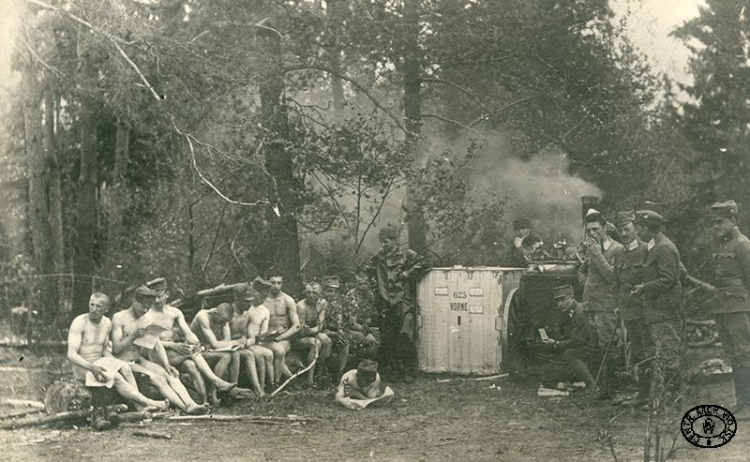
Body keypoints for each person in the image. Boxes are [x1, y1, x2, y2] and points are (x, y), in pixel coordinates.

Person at [111, 286, 209, 415]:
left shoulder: (147, 318)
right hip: (123, 361)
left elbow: (157, 343)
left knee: (171, 375)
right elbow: (116, 349)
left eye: (148, 307)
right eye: (143, 306)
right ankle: (184, 408)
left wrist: (166, 364)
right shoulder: (119, 318)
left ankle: (191, 404)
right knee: (160, 380)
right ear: (135, 301)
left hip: (139, 359)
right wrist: (133, 335)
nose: (146, 310)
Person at [67, 292, 169, 414]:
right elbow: (71, 354)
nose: (93, 309)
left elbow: (104, 349)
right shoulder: (80, 322)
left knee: (125, 368)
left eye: (98, 306)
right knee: (116, 376)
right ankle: (148, 402)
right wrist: (91, 367)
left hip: (99, 362)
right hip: (83, 367)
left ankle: (140, 407)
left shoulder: (106, 323)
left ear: (106, 309)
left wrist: (117, 362)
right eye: (92, 305)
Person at [145, 277, 236, 404]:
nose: (156, 300)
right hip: (157, 354)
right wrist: (173, 345)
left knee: (191, 365)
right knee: (192, 352)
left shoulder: (174, 312)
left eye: (160, 296)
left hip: (175, 353)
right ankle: (217, 382)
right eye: (153, 296)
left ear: (167, 294)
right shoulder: (148, 314)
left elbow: (188, 332)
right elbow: (151, 342)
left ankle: (205, 402)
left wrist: (195, 342)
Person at [702, 200, 750, 420]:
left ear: (733, 220)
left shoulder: (742, 244)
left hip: (739, 307)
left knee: (744, 354)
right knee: (733, 355)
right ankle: (742, 402)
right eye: (713, 222)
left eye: (720, 222)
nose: (716, 226)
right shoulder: (721, 245)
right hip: (722, 307)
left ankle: (747, 403)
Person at [630, 210, 683, 397]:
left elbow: (669, 278)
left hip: (665, 310)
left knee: (668, 354)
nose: (636, 232)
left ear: (646, 228)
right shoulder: (654, 246)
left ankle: (673, 398)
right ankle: (663, 396)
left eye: (638, 227)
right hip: (656, 309)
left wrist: (644, 288)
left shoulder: (664, 247)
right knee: (659, 353)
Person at [365, 225, 425, 384]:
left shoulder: (407, 255)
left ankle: (408, 370)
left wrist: (407, 273)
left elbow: (424, 263)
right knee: (388, 338)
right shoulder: (379, 257)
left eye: (385, 242)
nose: (383, 245)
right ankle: (394, 370)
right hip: (385, 303)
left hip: (403, 303)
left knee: (404, 337)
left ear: (394, 240)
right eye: (381, 242)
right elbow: (367, 271)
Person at [578, 209, 624, 393]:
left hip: (606, 306)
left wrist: (597, 253)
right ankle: (599, 388)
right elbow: (582, 269)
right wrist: (585, 281)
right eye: (589, 231)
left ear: (605, 228)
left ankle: (612, 389)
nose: (592, 234)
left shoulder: (617, 249)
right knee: (592, 347)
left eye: (596, 229)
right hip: (590, 305)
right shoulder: (591, 248)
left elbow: (612, 276)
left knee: (609, 347)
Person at [612, 211, 649, 402]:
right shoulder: (618, 252)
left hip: (644, 310)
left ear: (636, 229)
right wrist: (617, 304)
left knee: (646, 350)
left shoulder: (646, 250)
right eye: (621, 230)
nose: (624, 233)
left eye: (627, 229)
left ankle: (649, 393)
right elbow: (617, 282)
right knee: (636, 350)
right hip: (627, 311)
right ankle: (643, 392)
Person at [546, 285, 606, 400]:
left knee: (569, 354)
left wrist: (556, 343)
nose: (559, 304)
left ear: (572, 298)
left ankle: (592, 386)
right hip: (591, 345)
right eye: (557, 301)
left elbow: (577, 340)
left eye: (563, 300)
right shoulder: (575, 310)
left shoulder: (578, 313)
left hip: (594, 348)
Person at [190, 302, 245, 404]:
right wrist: (238, 342)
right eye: (222, 321)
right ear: (215, 313)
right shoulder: (203, 316)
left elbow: (226, 340)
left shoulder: (223, 319)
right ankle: (213, 391)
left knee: (235, 353)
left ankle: (233, 387)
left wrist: (228, 343)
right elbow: (215, 344)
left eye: (226, 322)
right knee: (226, 356)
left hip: (207, 347)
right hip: (195, 350)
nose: (223, 324)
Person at [227, 283, 271, 398]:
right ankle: (233, 387)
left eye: (251, 301)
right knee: (248, 355)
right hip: (227, 346)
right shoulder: (228, 314)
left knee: (253, 354)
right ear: (237, 299)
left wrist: (246, 342)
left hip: (241, 345)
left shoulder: (248, 315)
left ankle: (259, 389)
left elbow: (251, 337)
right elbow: (224, 339)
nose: (250, 304)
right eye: (246, 301)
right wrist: (239, 342)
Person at [260, 273, 300, 386]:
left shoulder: (288, 300)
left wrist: (280, 337)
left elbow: (296, 326)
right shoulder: (262, 300)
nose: (276, 286)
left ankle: (279, 382)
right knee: (270, 353)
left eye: (279, 283)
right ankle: (289, 379)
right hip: (266, 337)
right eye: (273, 282)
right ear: (267, 282)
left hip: (283, 337)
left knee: (278, 352)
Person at [295, 281, 332, 386]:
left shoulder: (322, 303)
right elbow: (301, 331)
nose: (311, 295)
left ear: (320, 294)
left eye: (315, 293)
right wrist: (309, 330)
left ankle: (320, 373)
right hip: (298, 337)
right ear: (305, 293)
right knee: (316, 343)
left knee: (326, 340)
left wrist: (312, 330)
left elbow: (320, 324)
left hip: (312, 331)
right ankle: (309, 379)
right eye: (308, 293)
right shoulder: (301, 306)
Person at [243, 277, 276, 392]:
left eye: (265, 297)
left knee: (269, 354)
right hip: (244, 341)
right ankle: (260, 388)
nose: (262, 300)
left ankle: (271, 384)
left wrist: (271, 334)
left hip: (256, 341)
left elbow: (262, 333)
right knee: (259, 355)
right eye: (260, 296)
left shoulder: (265, 311)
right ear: (254, 293)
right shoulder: (246, 307)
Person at [321, 276, 351, 380]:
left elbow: (339, 318)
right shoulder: (320, 302)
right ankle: (323, 372)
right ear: (324, 291)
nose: (332, 294)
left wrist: (340, 330)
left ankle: (339, 372)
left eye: (334, 291)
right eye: (329, 291)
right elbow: (321, 325)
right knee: (327, 342)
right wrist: (333, 333)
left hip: (333, 330)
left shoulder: (336, 303)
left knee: (344, 343)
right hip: (321, 331)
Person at [344, 272, 380, 360]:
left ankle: (368, 364)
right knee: (373, 340)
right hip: (349, 329)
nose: (363, 286)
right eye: (360, 284)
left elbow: (369, 316)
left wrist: (368, 325)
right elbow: (352, 323)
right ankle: (366, 364)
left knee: (378, 335)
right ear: (356, 284)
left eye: (365, 283)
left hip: (362, 326)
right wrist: (367, 329)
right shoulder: (351, 296)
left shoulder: (369, 295)